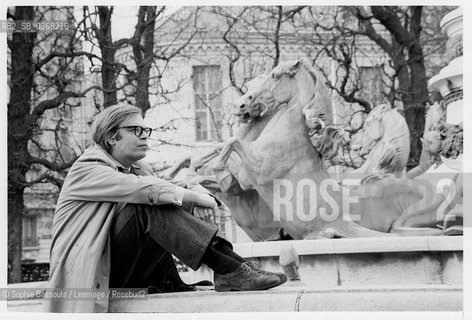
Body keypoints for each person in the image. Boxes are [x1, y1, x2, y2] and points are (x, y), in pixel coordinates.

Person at [43, 104, 286, 313]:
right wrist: (192, 197)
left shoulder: (138, 169)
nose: (144, 136)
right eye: (136, 130)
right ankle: (229, 269)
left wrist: (196, 193)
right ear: (111, 137)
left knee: (161, 198)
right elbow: (143, 190)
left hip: (126, 275)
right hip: (88, 279)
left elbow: (166, 186)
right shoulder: (87, 167)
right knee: (146, 204)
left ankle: (236, 267)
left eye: (145, 130)